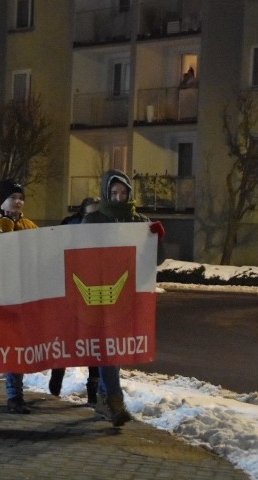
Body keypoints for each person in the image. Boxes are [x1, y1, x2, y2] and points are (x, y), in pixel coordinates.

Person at [83, 169, 165, 427]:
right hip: (100, 293)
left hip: (127, 294)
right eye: (114, 193)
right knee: (107, 346)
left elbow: (156, 260)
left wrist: (157, 239)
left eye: (123, 193)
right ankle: (115, 400)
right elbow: (81, 254)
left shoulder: (140, 221)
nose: (119, 198)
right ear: (106, 193)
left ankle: (104, 397)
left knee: (115, 347)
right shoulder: (94, 220)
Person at [51, 195, 102, 402]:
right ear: (82, 213)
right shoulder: (69, 228)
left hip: (94, 294)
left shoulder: (104, 233)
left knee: (94, 345)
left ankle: (93, 393)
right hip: (70, 292)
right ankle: (55, 384)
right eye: (90, 213)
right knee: (64, 340)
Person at [0, 179, 38, 414]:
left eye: (21, 197)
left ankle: (15, 395)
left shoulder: (30, 226)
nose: (18, 201)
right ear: (2, 200)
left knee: (16, 344)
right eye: (13, 197)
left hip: (21, 293)